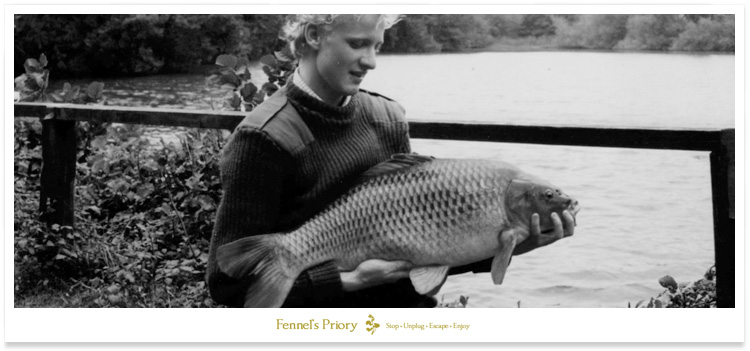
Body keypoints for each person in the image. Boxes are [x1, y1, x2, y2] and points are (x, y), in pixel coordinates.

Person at [205, 14, 576, 308]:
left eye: (377, 46)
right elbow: (228, 286)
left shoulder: (386, 116)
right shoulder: (264, 137)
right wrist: (354, 279)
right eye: (358, 44)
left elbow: (433, 240)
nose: (371, 61)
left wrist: (516, 243)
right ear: (314, 36)